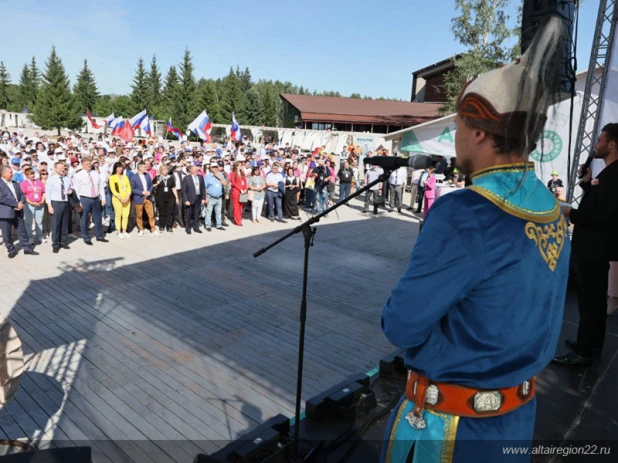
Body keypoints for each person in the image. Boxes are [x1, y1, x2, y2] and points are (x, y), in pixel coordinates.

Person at [380, 17, 570, 462]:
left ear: (480, 132)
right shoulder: (547, 203)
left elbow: (401, 324)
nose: (457, 137)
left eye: (459, 126)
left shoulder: (466, 214)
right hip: (514, 423)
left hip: (452, 432)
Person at [554, 123, 618, 365]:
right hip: (592, 248)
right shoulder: (608, 173)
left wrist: (570, 213)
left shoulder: (614, 175)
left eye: (600, 140)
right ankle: (588, 345)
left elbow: (603, 217)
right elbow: (599, 206)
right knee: (590, 301)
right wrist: (585, 183)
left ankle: (584, 352)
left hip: (594, 249)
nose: (596, 144)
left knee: (591, 303)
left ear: (612, 144)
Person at [0, 165, 38, 257]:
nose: (12, 174)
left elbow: (22, 195)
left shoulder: (15, 183)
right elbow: (1, 198)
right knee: (6, 233)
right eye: (10, 172)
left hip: (18, 211)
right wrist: (15, 204)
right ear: (3, 174)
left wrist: (21, 203)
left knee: (22, 231)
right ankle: (11, 250)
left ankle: (27, 248)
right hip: (6, 213)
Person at [73, 156, 108, 245]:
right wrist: (78, 202)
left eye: (89, 163)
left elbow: (100, 186)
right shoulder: (78, 175)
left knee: (97, 218)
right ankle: (86, 237)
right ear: (82, 165)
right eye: (87, 164)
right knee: (84, 218)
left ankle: (99, 236)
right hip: (85, 198)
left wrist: (103, 198)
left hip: (95, 198)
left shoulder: (95, 173)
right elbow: (76, 189)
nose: (89, 165)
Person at [46, 161, 72, 253]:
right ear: (55, 169)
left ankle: (63, 242)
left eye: (63, 167)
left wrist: (70, 191)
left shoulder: (67, 179)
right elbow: (48, 194)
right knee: (56, 225)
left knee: (64, 224)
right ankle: (55, 244)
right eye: (60, 167)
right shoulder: (51, 179)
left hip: (65, 203)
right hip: (55, 203)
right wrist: (49, 206)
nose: (62, 169)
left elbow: (70, 188)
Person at [130, 161, 159, 237]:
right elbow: (132, 189)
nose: (146, 168)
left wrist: (149, 191)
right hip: (139, 198)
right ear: (139, 168)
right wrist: (141, 192)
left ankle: (153, 228)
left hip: (148, 198)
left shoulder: (147, 176)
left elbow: (151, 185)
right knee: (139, 215)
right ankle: (140, 229)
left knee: (151, 214)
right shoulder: (133, 177)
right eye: (144, 167)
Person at [20, 167, 46, 245]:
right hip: (29, 205)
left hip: (40, 204)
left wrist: (42, 200)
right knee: (28, 222)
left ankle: (39, 237)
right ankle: (30, 238)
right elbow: (24, 195)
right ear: (26, 175)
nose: (32, 175)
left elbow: (43, 192)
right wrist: (31, 202)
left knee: (39, 221)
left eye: (33, 173)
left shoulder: (39, 182)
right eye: (30, 174)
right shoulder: (23, 183)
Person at [108, 162, 132, 239]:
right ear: (115, 168)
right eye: (118, 167)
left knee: (125, 215)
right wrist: (121, 198)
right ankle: (118, 231)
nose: (120, 169)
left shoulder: (125, 177)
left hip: (126, 198)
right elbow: (113, 190)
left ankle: (124, 230)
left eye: (121, 167)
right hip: (117, 199)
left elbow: (129, 188)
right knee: (118, 215)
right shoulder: (112, 177)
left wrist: (127, 197)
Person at [153, 165, 178, 233]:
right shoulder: (157, 177)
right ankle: (162, 225)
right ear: (161, 171)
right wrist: (156, 184)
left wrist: (176, 198)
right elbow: (151, 186)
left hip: (170, 197)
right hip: (160, 197)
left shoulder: (170, 178)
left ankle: (169, 226)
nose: (165, 171)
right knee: (162, 212)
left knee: (169, 212)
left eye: (166, 170)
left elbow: (173, 188)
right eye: (164, 170)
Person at [182, 165, 206, 234]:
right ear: (191, 170)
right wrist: (186, 200)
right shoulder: (186, 178)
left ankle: (196, 227)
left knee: (197, 213)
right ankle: (188, 228)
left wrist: (203, 198)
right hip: (190, 198)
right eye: (195, 169)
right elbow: (183, 190)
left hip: (198, 198)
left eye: (197, 170)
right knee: (189, 214)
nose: (196, 171)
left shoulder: (200, 177)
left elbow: (203, 189)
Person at [204, 163, 227, 232]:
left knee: (218, 212)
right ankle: (208, 225)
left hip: (219, 197)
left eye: (216, 167)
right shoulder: (207, 176)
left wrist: (219, 177)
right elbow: (204, 188)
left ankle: (219, 225)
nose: (215, 168)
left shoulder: (221, 174)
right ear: (210, 168)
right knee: (209, 212)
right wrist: (205, 198)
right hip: (210, 197)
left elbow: (225, 184)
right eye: (213, 167)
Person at [229, 162, 248, 226]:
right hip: (236, 191)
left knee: (241, 206)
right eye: (240, 165)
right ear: (236, 166)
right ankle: (238, 221)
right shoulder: (233, 173)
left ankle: (238, 218)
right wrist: (240, 189)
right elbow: (233, 182)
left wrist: (245, 188)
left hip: (243, 191)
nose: (241, 166)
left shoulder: (242, 173)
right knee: (236, 206)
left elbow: (245, 181)